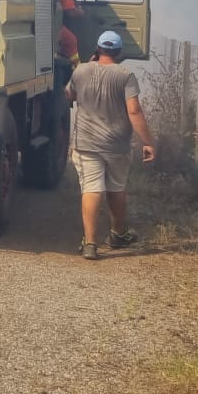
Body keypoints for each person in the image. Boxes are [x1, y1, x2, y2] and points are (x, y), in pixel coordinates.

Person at [65, 29, 155, 260]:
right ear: (119, 52)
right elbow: (134, 110)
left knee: (91, 188)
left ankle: (90, 244)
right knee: (116, 187)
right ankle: (117, 233)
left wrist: (87, 66)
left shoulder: (81, 71)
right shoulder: (125, 75)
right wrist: (147, 142)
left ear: (97, 49)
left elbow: (70, 96)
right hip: (117, 144)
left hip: (86, 143)